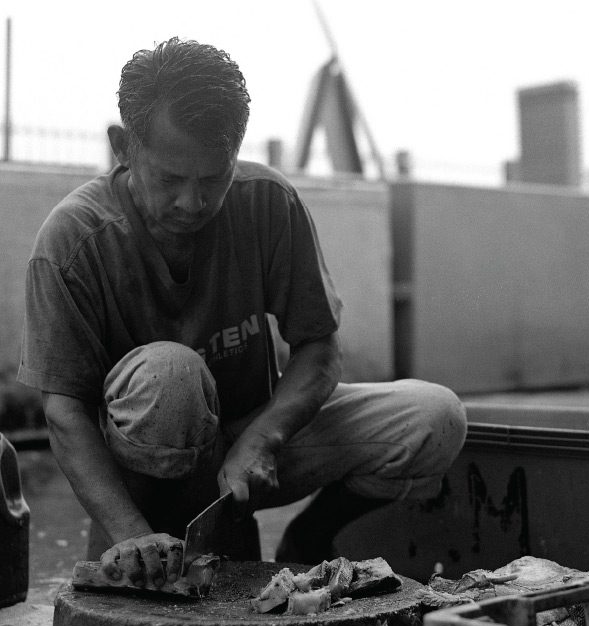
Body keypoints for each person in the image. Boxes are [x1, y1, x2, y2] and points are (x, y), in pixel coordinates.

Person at [18, 37, 466, 590]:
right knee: (171, 374)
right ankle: (150, 554)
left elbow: (320, 351)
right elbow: (64, 412)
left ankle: (308, 540)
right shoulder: (73, 241)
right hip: (139, 469)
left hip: (247, 447)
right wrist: (127, 531)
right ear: (122, 147)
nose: (193, 203)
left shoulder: (269, 203)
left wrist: (263, 438)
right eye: (170, 180)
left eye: (213, 178)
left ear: (235, 152)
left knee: (434, 417)